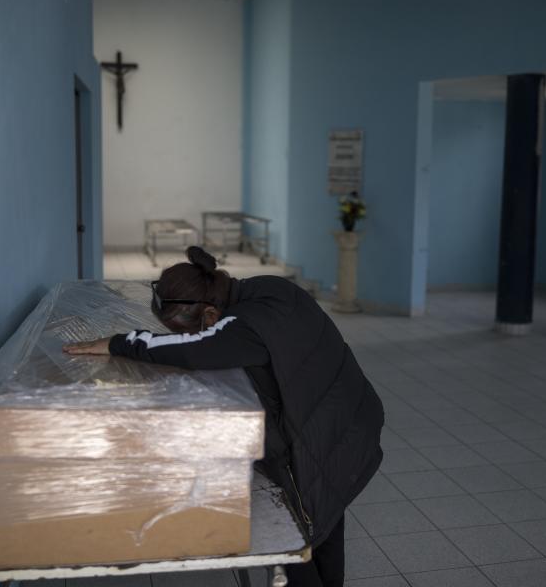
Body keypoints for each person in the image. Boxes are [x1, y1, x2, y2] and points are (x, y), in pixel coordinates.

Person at [63, 246, 384, 587]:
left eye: (184, 329)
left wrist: (119, 342)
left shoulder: (242, 328)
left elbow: (194, 350)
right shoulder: (270, 287)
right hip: (348, 419)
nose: (184, 336)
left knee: (297, 542)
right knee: (328, 520)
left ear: (211, 314)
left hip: (318, 442)